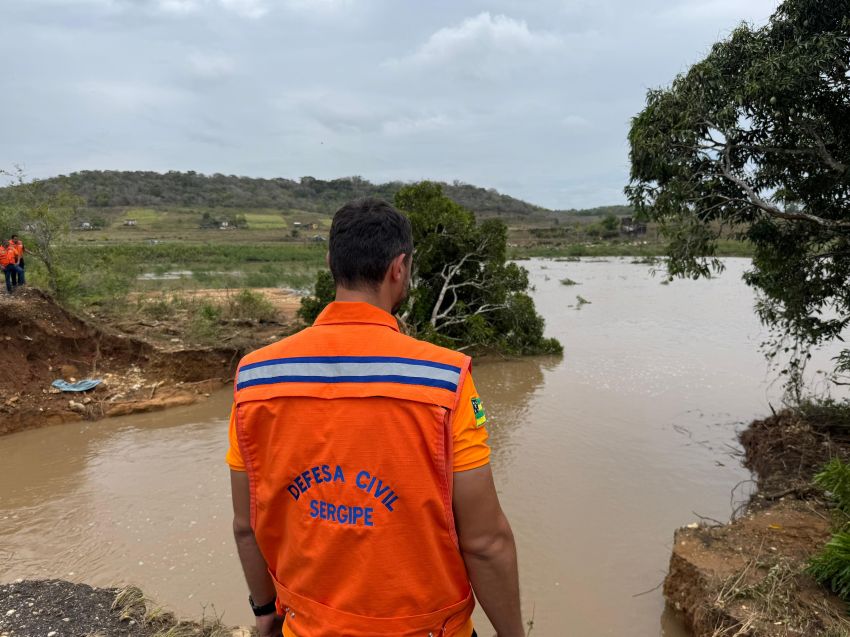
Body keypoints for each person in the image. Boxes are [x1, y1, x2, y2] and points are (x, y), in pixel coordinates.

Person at [227, 198, 524, 637]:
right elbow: (485, 542)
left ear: (331, 262)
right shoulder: (445, 380)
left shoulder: (255, 377)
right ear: (399, 268)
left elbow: (247, 525)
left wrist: (265, 610)